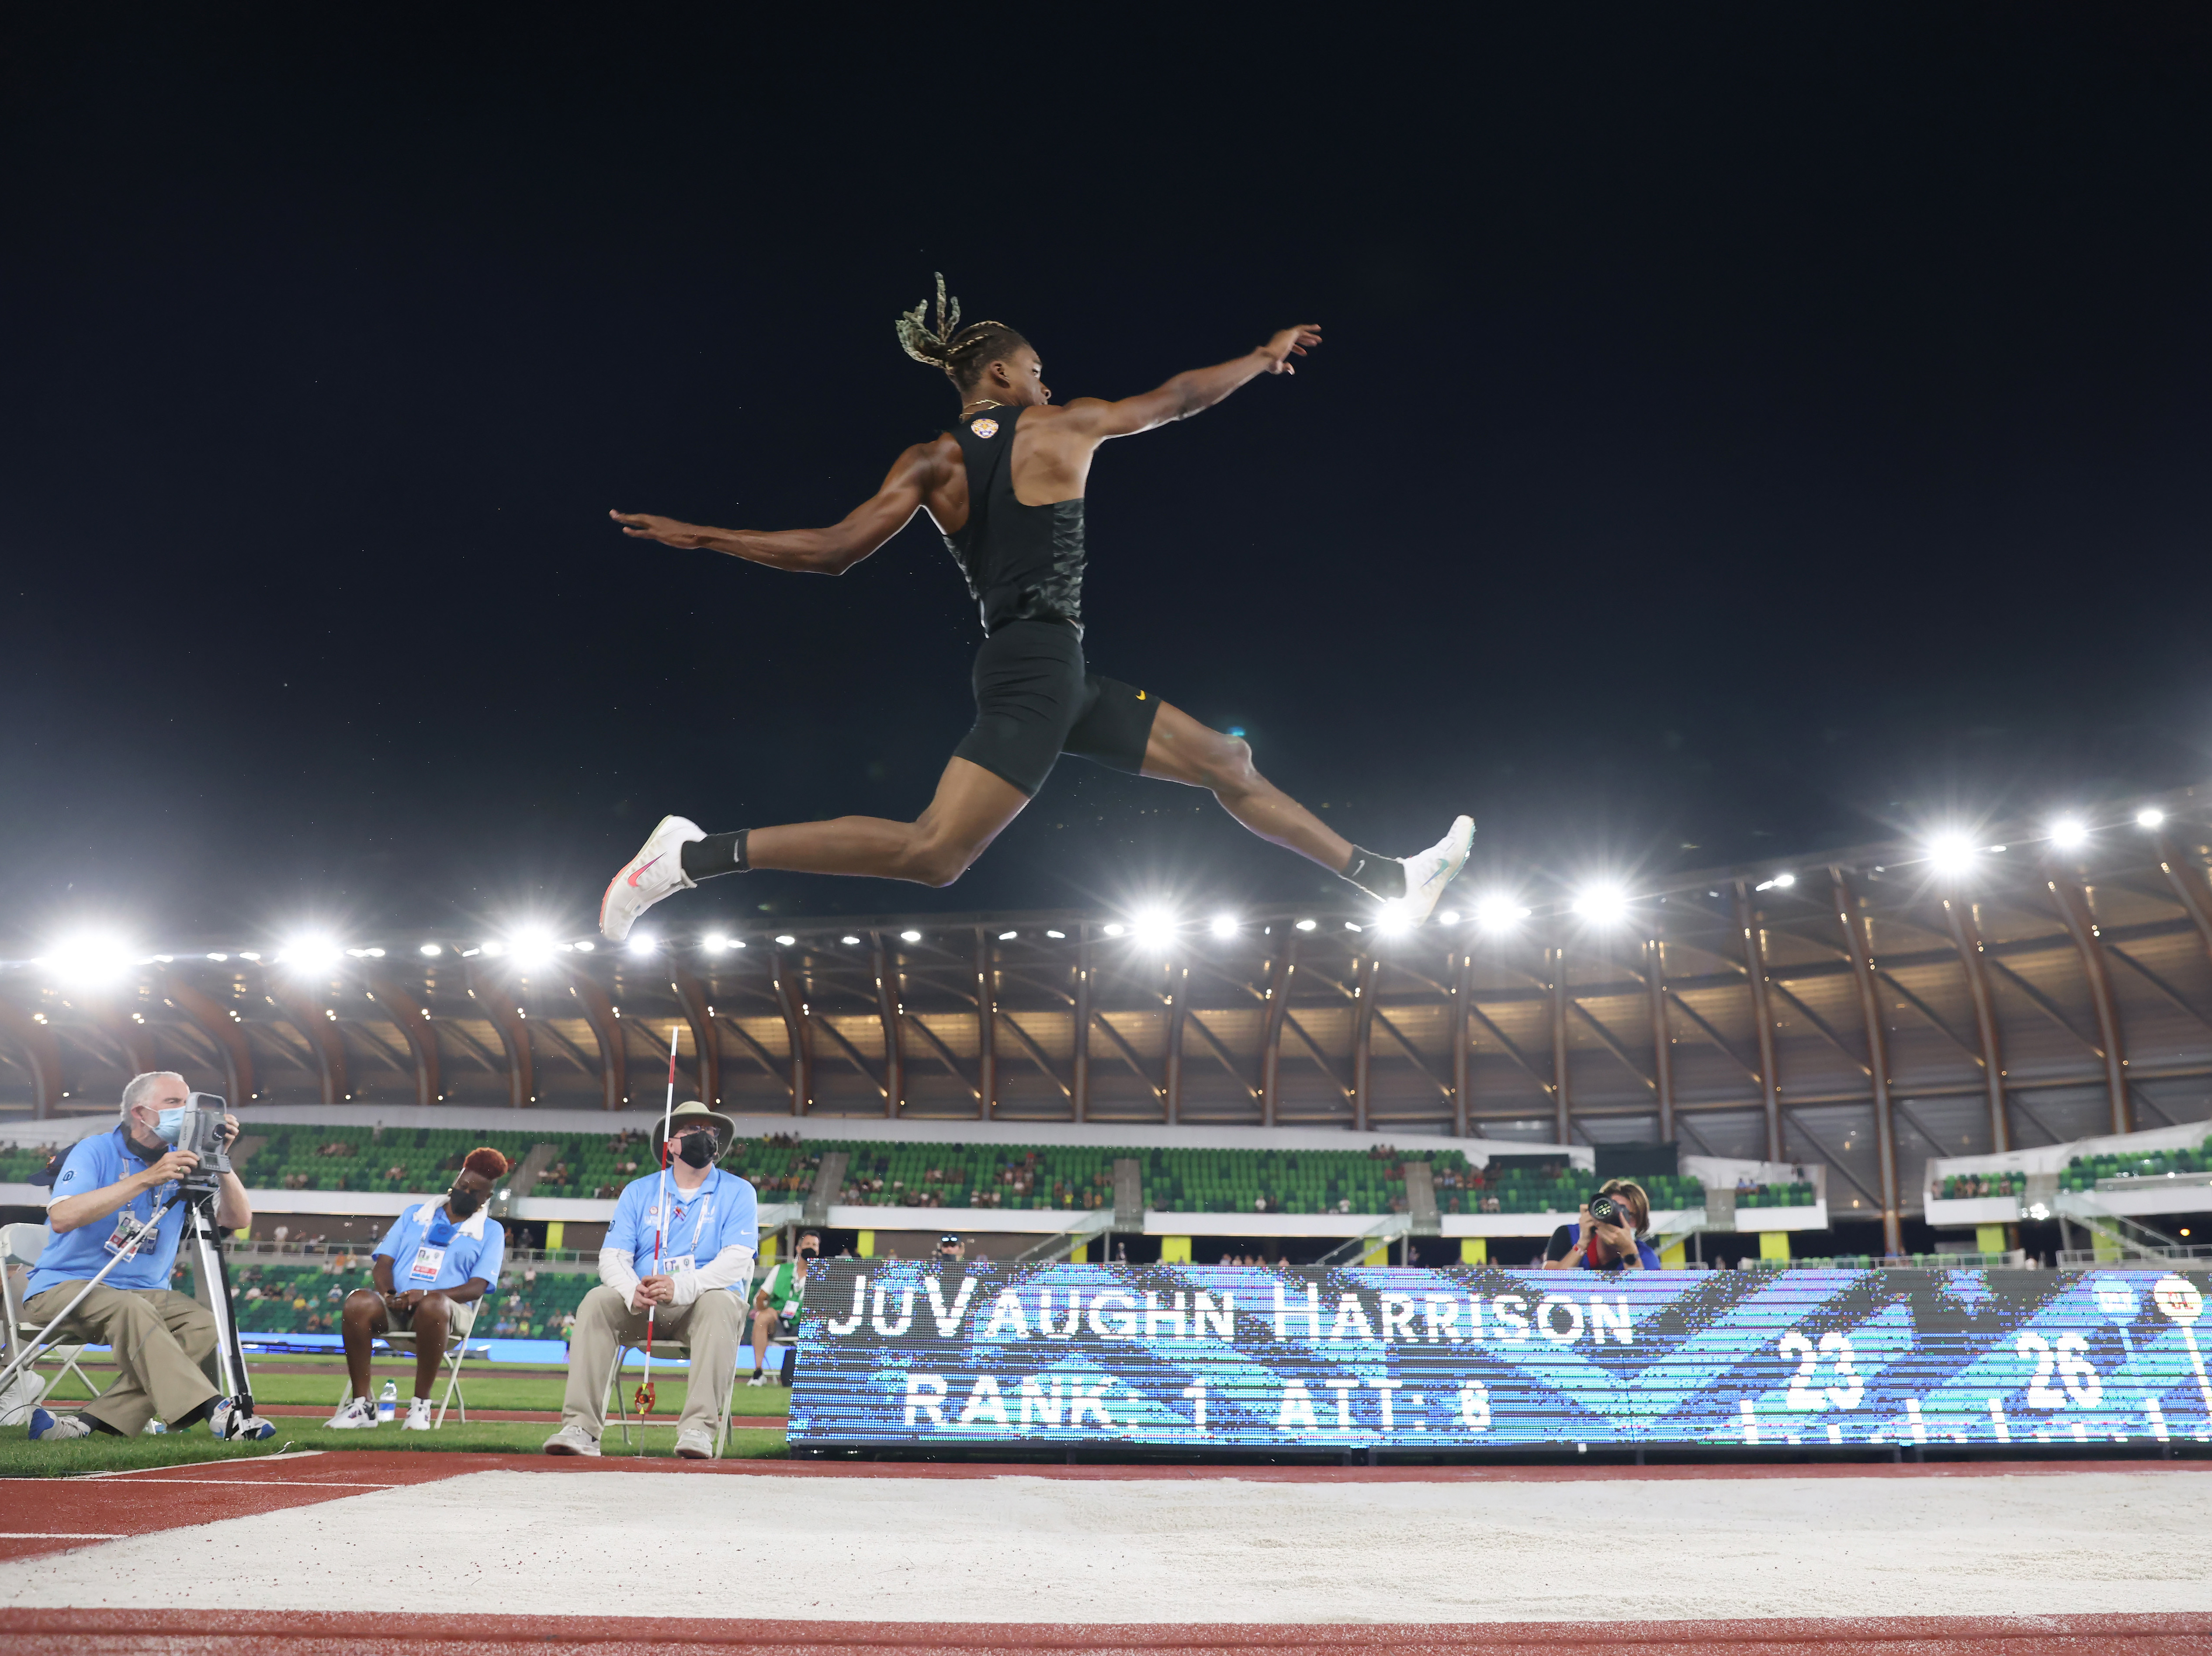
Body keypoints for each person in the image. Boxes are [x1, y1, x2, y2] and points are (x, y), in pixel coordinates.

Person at [596, 276, 1473, 943]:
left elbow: (832, 552)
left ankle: (1387, 881)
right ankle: (689, 857)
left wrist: (706, 535)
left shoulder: (927, 460)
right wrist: (1260, 355)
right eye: (1038, 371)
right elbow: (1175, 400)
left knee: (1227, 762)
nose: (1047, 385)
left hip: (1045, 666)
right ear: (1000, 371)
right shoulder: (1062, 428)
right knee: (933, 853)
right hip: (1036, 669)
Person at [22, 1072, 273, 1442]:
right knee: (131, 1307)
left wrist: (218, 1158)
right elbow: (62, 1217)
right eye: (175, 1103)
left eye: (189, 1104)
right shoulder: (95, 1150)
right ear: (141, 1113)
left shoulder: (183, 1160)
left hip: (144, 1295)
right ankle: (217, 1410)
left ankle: (86, 1425)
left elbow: (237, 1220)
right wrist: (147, 1179)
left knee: (204, 1323)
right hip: (65, 1288)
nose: (187, 1112)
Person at [543, 1102, 757, 1460]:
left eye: (711, 1132)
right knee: (597, 1300)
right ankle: (581, 1428)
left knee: (721, 1302)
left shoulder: (739, 1191)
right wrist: (632, 1291)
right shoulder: (639, 1191)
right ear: (671, 1144)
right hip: (645, 1305)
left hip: (701, 1307)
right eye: (693, 1131)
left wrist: (683, 1286)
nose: (705, 1138)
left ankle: (698, 1429)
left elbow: (738, 1258)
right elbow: (612, 1257)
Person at [326, 1147, 510, 1431]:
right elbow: (383, 1264)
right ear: (457, 1179)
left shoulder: (492, 1231)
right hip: (397, 1308)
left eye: (476, 1193)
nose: (466, 1193)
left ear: (487, 1197)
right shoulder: (414, 1215)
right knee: (357, 1302)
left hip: (447, 1316)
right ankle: (362, 1405)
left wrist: (426, 1296)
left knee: (434, 1305)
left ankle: (420, 1407)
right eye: (463, 1186)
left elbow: (478, 1287)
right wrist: (389, 1295)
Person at [746, 1229, 819, 1386]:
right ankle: (758, 1373)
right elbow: (760, 1298)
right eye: (808, 1244)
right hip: (778, 1323)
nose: (811, 1248)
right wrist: (767, 1310)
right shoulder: (781, 1270)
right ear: (799, 1248)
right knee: (763, 1317)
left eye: (815, 1245)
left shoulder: (822, 1276)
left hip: (804, 1325)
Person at [1544, 1179, 1660, 1272]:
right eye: (1613, 1211)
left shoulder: (1646, 1257)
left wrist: (1628, 1252)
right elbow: (1547, 1286)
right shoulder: (1568, 1235)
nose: (1619, 1219)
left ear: (1640, 1224)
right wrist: (1582, 1243)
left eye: (1628, 1215)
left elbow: (1642, 1297)